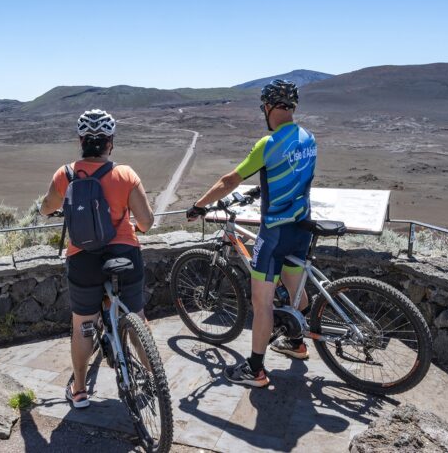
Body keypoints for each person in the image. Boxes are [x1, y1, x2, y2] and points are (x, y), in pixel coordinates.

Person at [186, 80, 317, 387]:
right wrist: (263, 187)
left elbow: (229, 180)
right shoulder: (309, 138)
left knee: (262, 304)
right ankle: (297, 343)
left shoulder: (268, 144)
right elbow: (294, 175)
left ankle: (255, 369)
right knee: (294, 287)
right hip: (301, 227)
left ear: (269, 108)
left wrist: (199, 206)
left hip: (274, 233)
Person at [39, 109, 154, 407]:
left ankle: (79, 390)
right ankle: (155, 379)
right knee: (137, 317)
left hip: (83, 259)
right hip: (126, 254)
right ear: (109, 143)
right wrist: (132, 225)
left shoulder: (64, 175)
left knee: (83, 325)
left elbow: (45, 208)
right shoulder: (126, 174)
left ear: (81, 141)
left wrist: (61, 205)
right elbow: (147, 222)